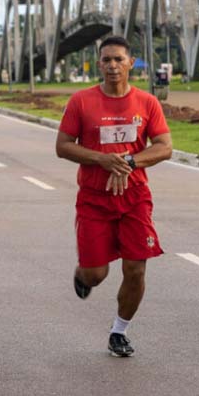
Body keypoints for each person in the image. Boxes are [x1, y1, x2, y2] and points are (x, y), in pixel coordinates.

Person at [55, 35, 172, 357]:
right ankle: (83, 274)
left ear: (130, 63)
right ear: (99, 64)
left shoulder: (147, 103)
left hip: (135, 196)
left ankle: (119, 331)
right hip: (94, 199)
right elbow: (62, 146)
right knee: (97, 274)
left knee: (136, 268)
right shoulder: (81, 101)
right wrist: (102, 159)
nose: (112, 66)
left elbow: (164, 146)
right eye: (106, 60)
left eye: (118, 59)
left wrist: (129, 162)